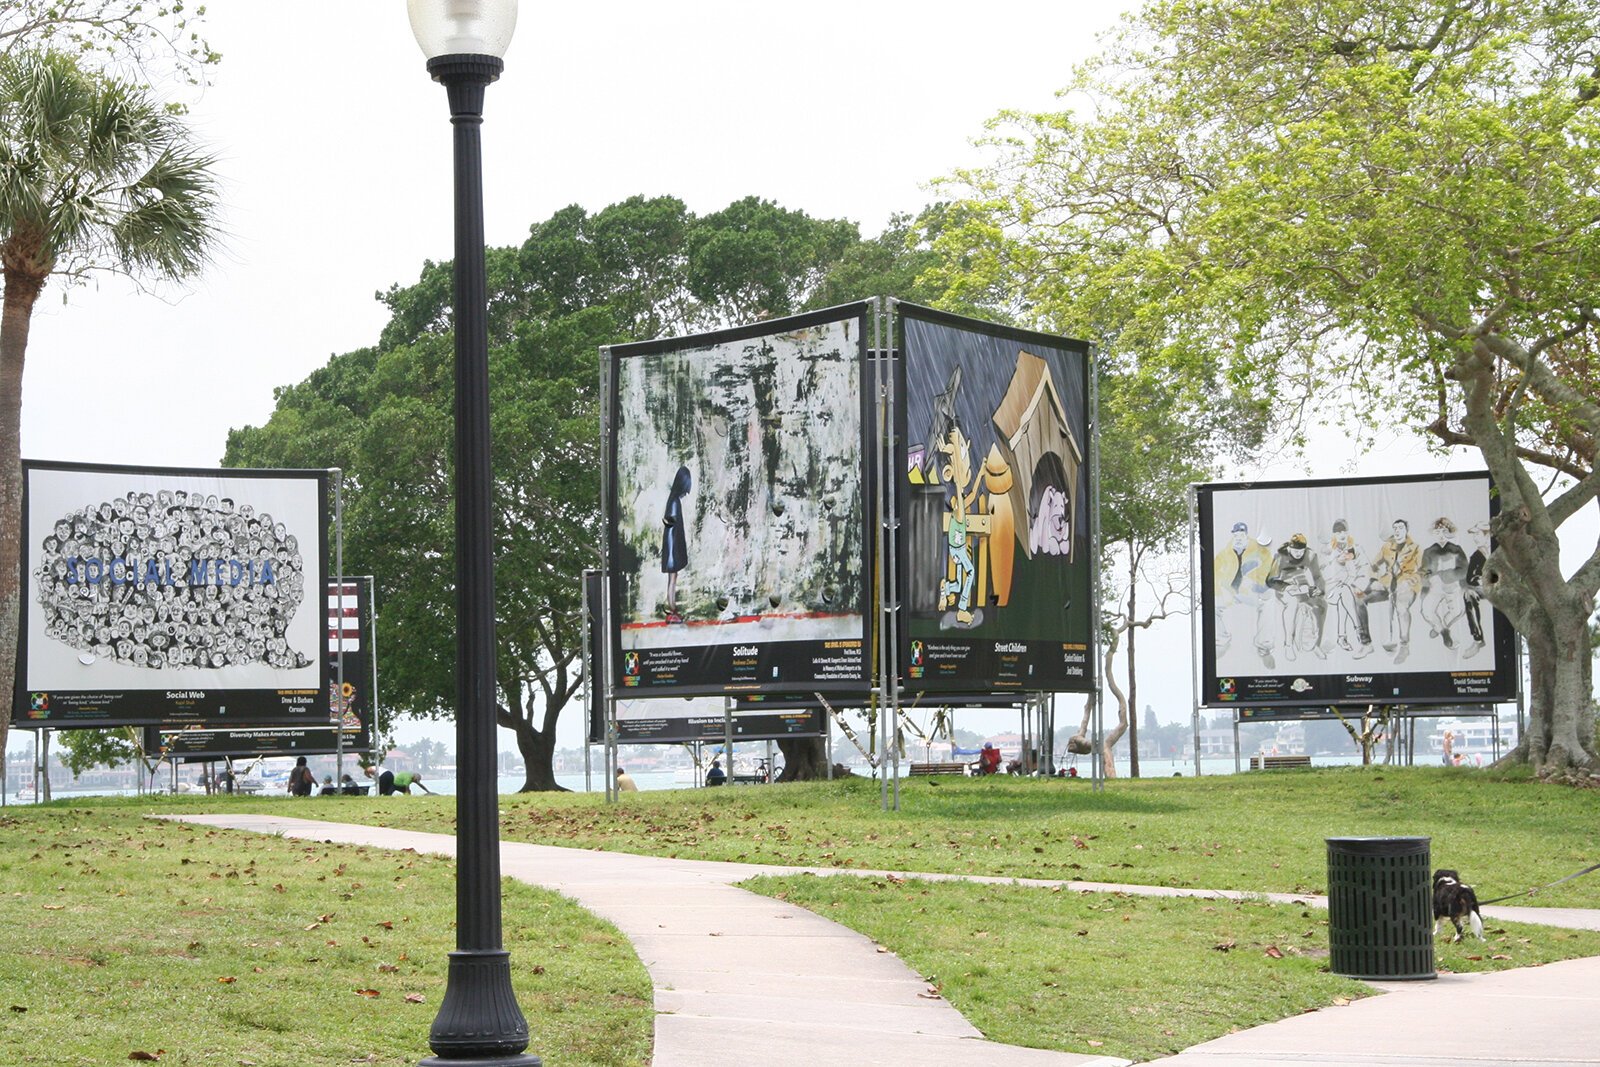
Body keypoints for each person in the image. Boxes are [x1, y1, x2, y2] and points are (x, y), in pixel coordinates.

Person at [1213, 521, 1275, 667]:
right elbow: (1215, 576)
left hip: (1250, 591)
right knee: (1212, 605)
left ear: (1246, 535)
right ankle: (1221, 641)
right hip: (1231, 592)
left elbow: (1269, 570)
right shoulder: (1224, 553)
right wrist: (1221, 592)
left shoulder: (1260, 551)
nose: (1239, 537)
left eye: (1242, 534)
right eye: (1236, 534)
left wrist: (1256, 584)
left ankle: (1264, 645)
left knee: (1268, 601)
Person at [1266, 533, 1326, 660]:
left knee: (1321, 604)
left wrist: (1319, 589)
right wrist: (1286, 587)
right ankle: (1288, 643)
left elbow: (1317, 576)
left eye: (1301, 551)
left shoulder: (1310, 555)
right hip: (1286, 587)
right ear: (1289, 548)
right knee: (1292, 604)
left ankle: (1316, 644)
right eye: (1295, 551)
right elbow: (1270, 580)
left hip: (1304, 587)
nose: (1299, 554)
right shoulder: (1280, 556)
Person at [1370, 518, 1422, 663]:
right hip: (1388, 584)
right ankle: (1366, 642)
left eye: (1401, 527)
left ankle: (1404, 646)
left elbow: (1424, 570)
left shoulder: (1416, 548)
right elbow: (1374, 565)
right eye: (1395, 528)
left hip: (1407, 585)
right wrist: (1374, 580)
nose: (1397, 530)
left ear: (1406, 530)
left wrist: (1411, 581)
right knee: (1360, 597)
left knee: (1401, 608)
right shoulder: (1386, 547)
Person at [1420, 517, 1469, 650]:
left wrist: (1445, 575)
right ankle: (1443, 632)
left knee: (1458, 611)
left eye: (1444, 531)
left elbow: (1464, 570)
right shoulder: (1428, 551)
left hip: (1452, 587)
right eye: (1437, 532)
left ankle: (1441, 626)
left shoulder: (1456, 550)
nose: (1441, 535)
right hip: (1435, 587)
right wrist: (1427, 577)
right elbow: (1424, 571)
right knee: (1426, 610)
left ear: (1449, 531)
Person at [661, 466, 692, 623]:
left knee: (672, 579)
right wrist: (673, 554)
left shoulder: (673, 500)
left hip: (672, 549)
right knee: (672, 579)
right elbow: (672, 531)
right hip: (672, 549)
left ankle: (672, 610)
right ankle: (672, 610)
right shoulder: (674, 502)